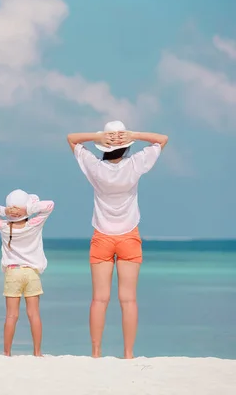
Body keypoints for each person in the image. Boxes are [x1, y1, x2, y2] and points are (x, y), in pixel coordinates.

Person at [67, 120, 168, 359]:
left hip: (102, 236)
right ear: (126, 145)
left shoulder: (94, 167)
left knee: (99, 300)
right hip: (129, 236)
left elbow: (71, 138)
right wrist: (133, 134)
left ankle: (95, 353)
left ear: (104, 146)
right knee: (129, 300)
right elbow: (162, 139)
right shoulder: (135, 164)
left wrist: (97, 136)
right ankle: (129, 354)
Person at [0, 189, 55, 356]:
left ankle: (7, 353)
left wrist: (5, 211)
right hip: (32, 273)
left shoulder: (3, 226)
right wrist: (27, 209)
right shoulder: (35, 224)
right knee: (34, 314)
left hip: (12, 273)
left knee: (11, 315)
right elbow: (50, 205)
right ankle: (37, 352)